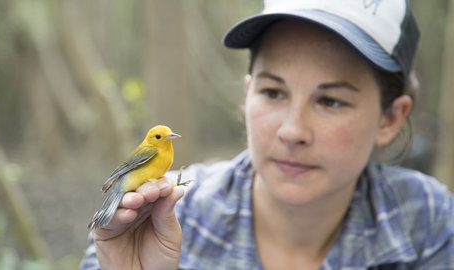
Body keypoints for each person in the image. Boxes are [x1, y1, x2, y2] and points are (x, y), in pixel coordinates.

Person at [79, 0, 454, 269]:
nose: (292, 131)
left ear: (390, 118)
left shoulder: (426, 220)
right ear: (247, 94)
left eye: (332, 101)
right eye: (273, 93)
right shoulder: (159, 215)